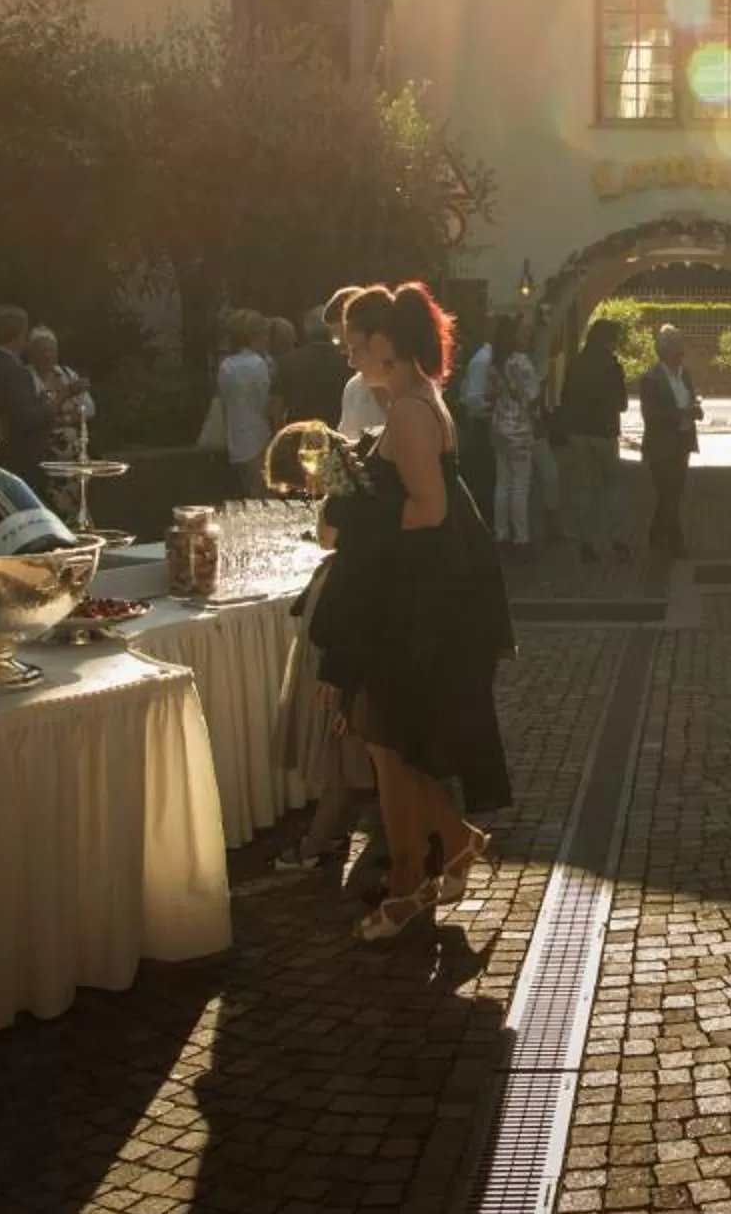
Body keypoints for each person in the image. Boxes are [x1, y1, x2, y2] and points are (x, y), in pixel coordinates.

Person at [309, 283, 515, 944]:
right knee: (390, 743)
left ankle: (408, 880)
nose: (350, 358)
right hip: (415, 597)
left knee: (391, 744)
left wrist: (356, 514)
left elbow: (428, 509)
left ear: (386, 344)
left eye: (355, 345)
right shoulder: (413, 401)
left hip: (418, 605)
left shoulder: (410, 412)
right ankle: (450, 844)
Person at [557, 320, 634, 563]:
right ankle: (614, 536)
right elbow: (622, 404)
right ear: (608, 340)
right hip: (604, 432)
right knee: (612, 485)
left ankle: (586, 542)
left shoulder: (576, 363)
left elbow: (564, 397)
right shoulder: (612, 366)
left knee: (583, 487)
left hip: (578, 433)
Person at [0, 302, 56, 497]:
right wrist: (55, 401)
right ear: (18, 335)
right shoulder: (16, 372)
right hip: (20, 460)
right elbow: (26, 419)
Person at [636, 324, 700, 557]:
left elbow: (691, 399)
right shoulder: (651, 379)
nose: (681, 352)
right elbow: (651, 415)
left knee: (674, 493)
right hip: (661, 444)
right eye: (677, 347)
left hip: (682, 442)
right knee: (668, 492)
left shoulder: (685, 375)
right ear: (664, 352)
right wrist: (681, 414)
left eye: (681, 346)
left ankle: (656, 533)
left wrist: (695, 410)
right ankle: (676, 540)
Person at [26, 326, 95, 517]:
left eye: (51, 349)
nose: (47, 354)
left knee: (77, 503)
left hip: (74, 455)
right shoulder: (26, 377)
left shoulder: (66, 374)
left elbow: (89, 409)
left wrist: (60, 418)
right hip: (45, 455)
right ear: (31, 353)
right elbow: (37, 416)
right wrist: (68, 414)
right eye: (42, 349)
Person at [489, 318, 543, 554]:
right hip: (520, 429)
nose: (527, 336)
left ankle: (501, 533)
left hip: (499, 426)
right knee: (521, 485)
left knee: (502, 483)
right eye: (522, 332)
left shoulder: (496, 362)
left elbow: (491, 393)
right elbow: (532, 395)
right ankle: (521, 537)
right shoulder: (522, 363)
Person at [217, 308, 277, 498]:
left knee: (247, 492)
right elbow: (266, 403)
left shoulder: (226, 365)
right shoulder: (259, 364)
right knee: (264, 496)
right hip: (259, 439)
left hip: (235, 439)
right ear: (257, 336)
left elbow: (224, 401)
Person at [455, 315, 506, 537]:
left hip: (485, 424)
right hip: (479, 426)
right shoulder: (482, 361)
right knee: (483, 477)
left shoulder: (487, 359)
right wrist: (494, 405)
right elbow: (473, 400)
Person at [279, 290, 354, 430]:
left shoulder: (288, 361)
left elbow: (275, 406)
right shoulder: (348, 360)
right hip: (337, 428)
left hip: (299, 431)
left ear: (306, 329)